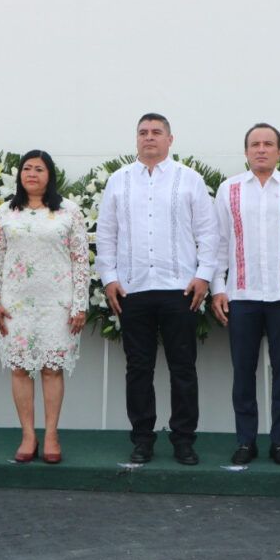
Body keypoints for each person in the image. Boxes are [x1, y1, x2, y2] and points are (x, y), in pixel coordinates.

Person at [96, 113, 219, 465]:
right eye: (143, 133)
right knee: (138, 368)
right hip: (133, 289)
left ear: (170, 139)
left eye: (156, 132)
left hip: (180, 288)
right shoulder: (119, 181)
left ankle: (183, 440)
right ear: (136, 139)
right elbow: (106, 234)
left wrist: (204, 275)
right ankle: (143, 439)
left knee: (183, 367)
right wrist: (109, 278)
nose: (149, 138)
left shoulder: (189, 180)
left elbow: (208, 233)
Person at [211, 123, 280, 466]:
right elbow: (218, 245)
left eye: (268, 144)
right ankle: (246, 441)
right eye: (255, 144)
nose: (261, 149)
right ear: (246, 152)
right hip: (241, 294)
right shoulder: (228, 190)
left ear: (279, 151)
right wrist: (218, 287)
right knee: (243, 372)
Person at [0, 150, 90, 464]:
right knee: (19, 368)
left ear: (50, 175)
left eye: (39, 169)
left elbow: (81, 261)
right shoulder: (6, 212)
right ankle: (28, 435)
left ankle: (52, 434)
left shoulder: (69, 211)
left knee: (51, 369)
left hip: (57, 303)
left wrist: (80, 305)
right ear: (20, 175)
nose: (32, 174)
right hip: (15, 303)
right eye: (27, 168)